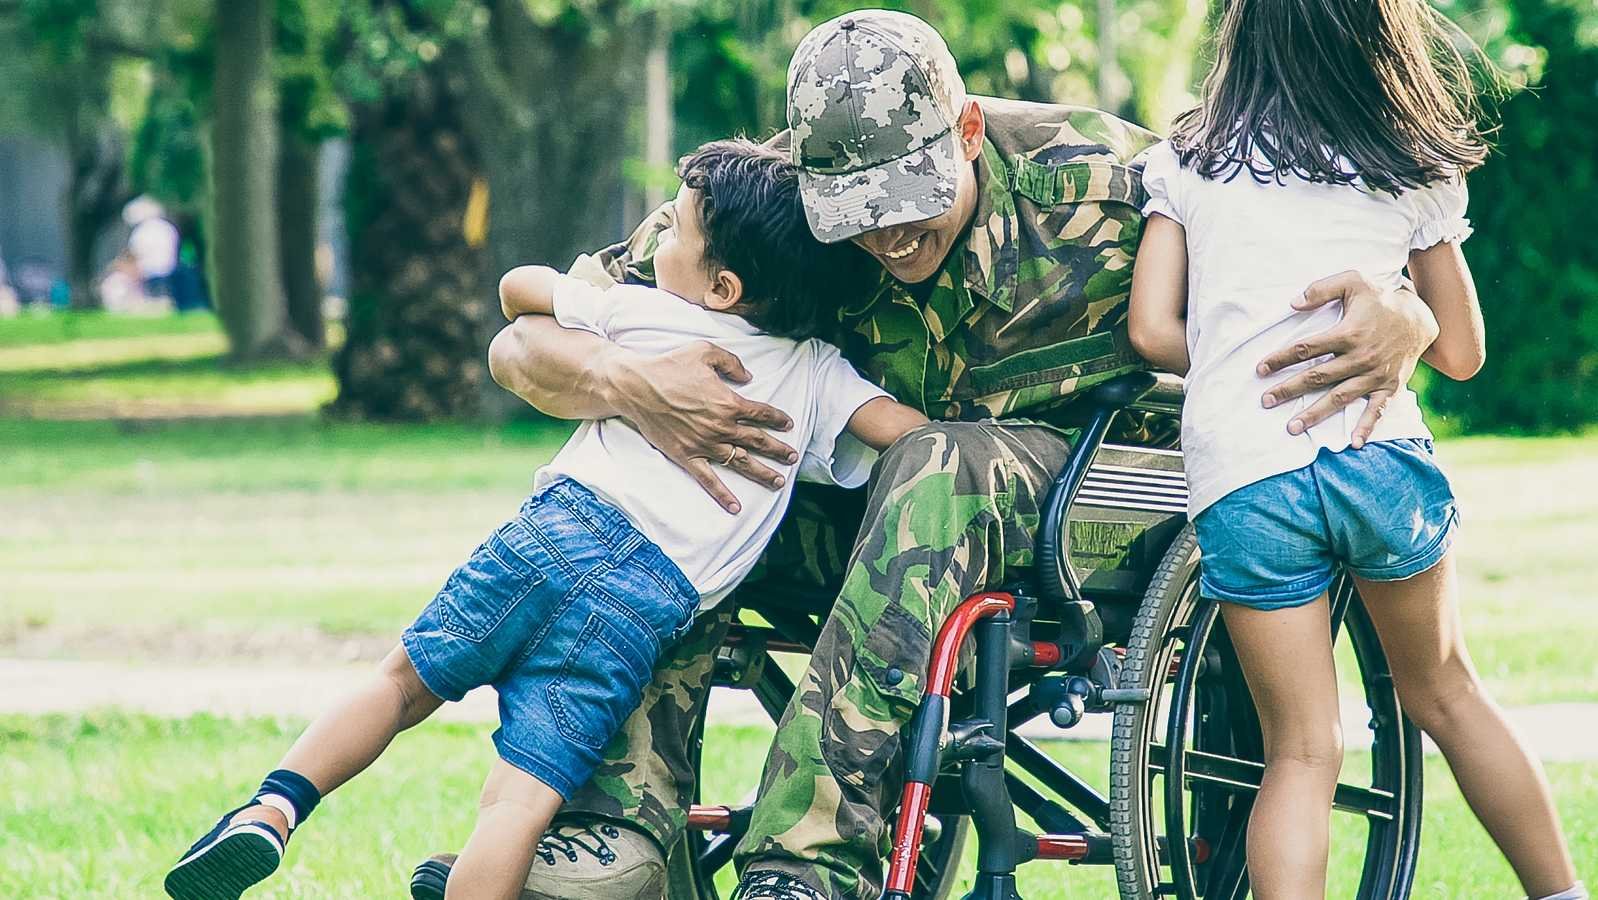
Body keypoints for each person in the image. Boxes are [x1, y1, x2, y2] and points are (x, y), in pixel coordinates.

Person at [419, 11, 1450, 900]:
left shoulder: (1099, 175)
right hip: (868, 515)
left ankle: (807, 863)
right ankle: (623, 828)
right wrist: (628, 384)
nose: (886, 237)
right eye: (855, 215)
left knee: (939, 465)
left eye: (908, 199)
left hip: (1095, 499)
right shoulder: (762, 208)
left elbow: (1299, 247)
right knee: (675, 479)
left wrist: (1402, 312)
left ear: (964, 129)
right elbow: (527, 340)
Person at [161, 140, 927, 900]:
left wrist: (572, 300)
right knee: (517, 803)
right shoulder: (819, 375)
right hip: (635, 612)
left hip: (547, 539)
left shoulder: (644, 314)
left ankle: (274, 807)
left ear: (723, 286)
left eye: (676, 232)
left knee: (398, 684)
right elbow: (904, 433)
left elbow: (518, 291)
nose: (657, 237)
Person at [1125, 1, 1585, 899]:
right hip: (1378, 464)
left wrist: (1237, 353)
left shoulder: (1187, 159)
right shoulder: (1406, 166)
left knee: (1301, 749)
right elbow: (1460, 351)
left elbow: (1149, 330)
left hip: (1249, 480)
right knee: (1448, 694)